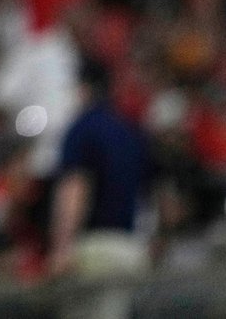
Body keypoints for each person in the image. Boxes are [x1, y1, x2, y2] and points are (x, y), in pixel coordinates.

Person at [47, 58, 149, 319]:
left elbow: (75, 187)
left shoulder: (82, 129)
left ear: (83, 88)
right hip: (129, 247)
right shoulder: (129, 131)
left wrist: (62, 248)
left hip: (94, 251)